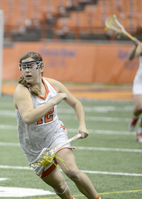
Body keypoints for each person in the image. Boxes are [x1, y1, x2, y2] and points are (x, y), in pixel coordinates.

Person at [13, 51, 101, 199]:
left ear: (41, 67)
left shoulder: (53, 85)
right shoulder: (21, 91)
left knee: (72, 172)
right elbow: (28, 118)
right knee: (59, 185)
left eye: (30, 66)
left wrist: (82, 125)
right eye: (23, 67)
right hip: (34, 147)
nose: (27, 70)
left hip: (55, 136)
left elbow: (76, 103)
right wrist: (52, 102)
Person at [128, 37, 142, 142]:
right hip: (140, 82)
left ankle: (140, 133)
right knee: (139, 107)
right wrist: (136, 46)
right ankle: (134, 118)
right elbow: (131, 57)